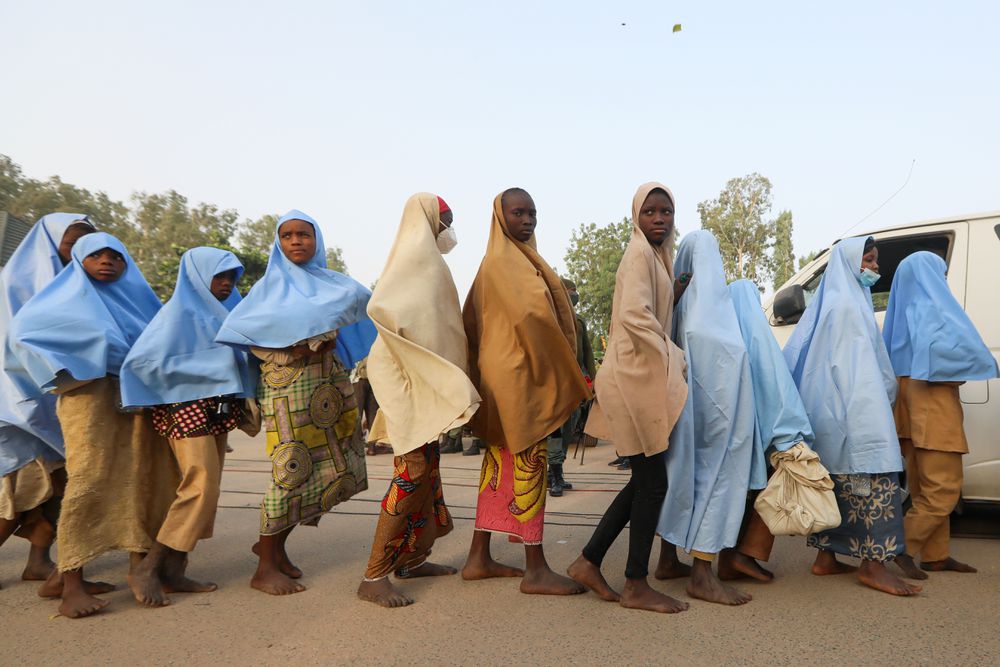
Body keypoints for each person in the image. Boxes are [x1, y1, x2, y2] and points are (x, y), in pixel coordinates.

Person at [8, 232, 178, 618]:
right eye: (96, 255)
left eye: (116, 256)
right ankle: (70, 584)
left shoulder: (141, 303)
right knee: (88, 481)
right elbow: (24, 337)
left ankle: (136, 569)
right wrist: (86, 362)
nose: (107, 261)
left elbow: (162, 342)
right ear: (79, 261)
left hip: (136, 404)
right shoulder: (59, 300)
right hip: (89, 403)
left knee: (140, 479)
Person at [216, 209, 376, 596]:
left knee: (328, 469)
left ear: (317, 240)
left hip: (330, 385)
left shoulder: (335, 284)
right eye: (287, 236)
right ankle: (264, 565)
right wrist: (297, 347)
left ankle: (276, 549)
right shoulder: (267, 291)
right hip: (288, 390)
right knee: (290, 470)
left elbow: (365, 306)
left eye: (303, 234)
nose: (295, 242)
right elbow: (247, 336)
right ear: (278, 243)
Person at [567, 182, 690, 613]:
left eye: (667, 212)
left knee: (645, 479)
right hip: (630, 379)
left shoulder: (656, 258)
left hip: (635, 378)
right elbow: (634, 315)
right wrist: (674, 353)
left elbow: (646, 306)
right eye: (650, 212)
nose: (659, 219)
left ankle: (588, 560)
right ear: (635, 217)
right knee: (653, 482)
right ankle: (636, 583)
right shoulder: (638, 254)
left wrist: (674, 294)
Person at [461, 187, 590, 595]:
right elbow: (535, 317)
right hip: (520, 379)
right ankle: (535, 567)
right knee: (530, 465)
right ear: (501, 217)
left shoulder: (501, 261)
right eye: (518, 213)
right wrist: (565, 367)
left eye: (532, 213)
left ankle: (478, 557)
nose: (528, 220)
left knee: (497, 468)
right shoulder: (506, 263)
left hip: (503, 378)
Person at [357, 193, 480, 607]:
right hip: (405, 379)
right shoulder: (414, 265)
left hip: (422, 381)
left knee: (428, 470)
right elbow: (384, 311)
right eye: (444, 221)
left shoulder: (430, 264)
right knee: (412, 472)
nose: (448, 229)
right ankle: (373, 576)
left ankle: (411, 558)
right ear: (426, 221)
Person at [785, 236, 921, 596]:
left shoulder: (839, 299)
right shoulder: (847, 306)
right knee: (873, 486)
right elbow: (855, 371)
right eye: (870, 261)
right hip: (858, 415)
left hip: (837, 417)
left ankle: (826, 558)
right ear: (849, 263)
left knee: (839, 489)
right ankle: (873, 566)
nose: (875, 268)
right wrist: (872, 418)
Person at [120, 247, 256, 595]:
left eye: (231, 278)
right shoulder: (175, 315)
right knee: (202, 485)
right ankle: (148, 566)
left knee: (208, 491)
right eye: (219, 276)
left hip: (219, 410)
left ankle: (175, 569)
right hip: (186, 409)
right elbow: (140, 364)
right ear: (197, 275)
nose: (226, 284)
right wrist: (206, 370)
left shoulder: (229, 315)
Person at [655, 230, 757, 606]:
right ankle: (702, 573)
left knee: (676, 480)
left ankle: (667, 559)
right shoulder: (715, 323)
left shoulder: (674, 312)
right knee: (716, 483)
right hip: (717, 428)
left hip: (678, 421)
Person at [882, 251, 998, 579]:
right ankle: (898, 547)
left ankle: (936, 555)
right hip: (932, 407)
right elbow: (949, 367)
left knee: (923, 487)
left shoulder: (902, 314)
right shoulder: (935, 311)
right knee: (944, 488)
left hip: (906, 407)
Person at [1, 213, 95, 589]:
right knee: (18, 492)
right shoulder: (13, 284)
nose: (77, 252)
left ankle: (39, 561)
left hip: (56, 403)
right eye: (71, 243)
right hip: (14, 404)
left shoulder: (75, 286)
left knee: (59, 486)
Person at [719, 279, 816, 582]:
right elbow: (776, 386)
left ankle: (727, 558)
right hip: (762, 431)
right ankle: (742, 556)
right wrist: (792, 431)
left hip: (731, 434)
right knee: (764, 489)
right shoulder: (758, 338)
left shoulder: (722, 337)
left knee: (737, 495)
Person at [547, 277, 596, 497]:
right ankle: (555, 474)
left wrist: (592, 381)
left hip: (575, 385)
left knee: (569, 428)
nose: (575, 295)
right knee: (556, 431)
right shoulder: (549, 321)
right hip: (554, 385)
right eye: (571, 290)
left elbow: (587, 354)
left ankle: (556, 471)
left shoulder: (579, 322)